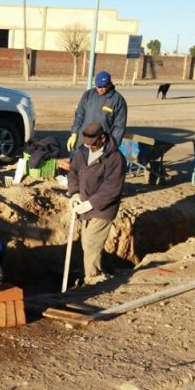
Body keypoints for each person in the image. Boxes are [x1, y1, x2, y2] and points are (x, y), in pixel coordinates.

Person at [67, 121, 126, 285]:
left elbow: (112, 189)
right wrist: (75, 193)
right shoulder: (83, 151)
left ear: (102, 138)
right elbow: (73, 172)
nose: (89, 147)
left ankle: (92, 279)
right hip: (84, 203)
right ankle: (101, 270)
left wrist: (91, 203)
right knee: (87, 241)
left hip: (103, 208)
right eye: (87, 144)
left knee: (91, 242)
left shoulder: (115, 158)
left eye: (92, 144)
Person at [66, 70, 128, 153]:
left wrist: (111, 146)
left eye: (103, 87)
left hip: (100, 144)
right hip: (82, 140)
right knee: (77, 164)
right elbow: (79, 115)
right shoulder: (88, 95)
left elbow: (119, 127)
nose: (99, 89)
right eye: (98, 86)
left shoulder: (118, 101)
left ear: (109, 84)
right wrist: (74, 133)